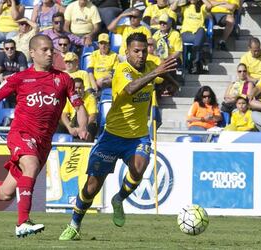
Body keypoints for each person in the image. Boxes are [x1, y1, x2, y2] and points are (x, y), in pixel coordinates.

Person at [0, 34, 89, 238]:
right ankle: (22, 222)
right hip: (21, 134)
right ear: (32, 53)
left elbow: (79, 106)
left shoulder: (63, 79)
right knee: (31, 165)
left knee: (5, 193)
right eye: (45, 49)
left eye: (52, 49)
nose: (50, 53)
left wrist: (82, 127)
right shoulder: (20, 78)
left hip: (43, 142)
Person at [58, 33, 177, 240]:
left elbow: (172, 85)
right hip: (112, 136)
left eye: (143, 51)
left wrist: (167, 77)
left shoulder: (150, 66)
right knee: (92, 187)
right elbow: (131, 88)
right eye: (136, 51)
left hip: (138, 136)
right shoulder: (123, 70)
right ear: (127, 52)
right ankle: (75, 223)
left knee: (139, 168)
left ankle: (119, 199)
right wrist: (156, 72)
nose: (140, 55)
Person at [175, 0, 212, 74]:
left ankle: (192, 63)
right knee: (198, 42)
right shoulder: (185, 7)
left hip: (199, 33)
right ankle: (195, 62)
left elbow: (209, 6)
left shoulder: (202, 7)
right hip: (186, 33)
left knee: (201, 30)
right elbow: (173, 8)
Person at [60, 77, 98, 141]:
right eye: (76, 88)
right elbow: (64, 115)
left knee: (91, 126)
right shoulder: (69, 98)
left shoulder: (90, 97)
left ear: (84, 88)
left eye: (80, 88)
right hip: (72, 123)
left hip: (87, 123)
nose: (78, 90)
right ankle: (58, 148)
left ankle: (86, 147)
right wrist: (69, 128)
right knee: (59, 125)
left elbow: (93, 116)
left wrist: (82, 128)